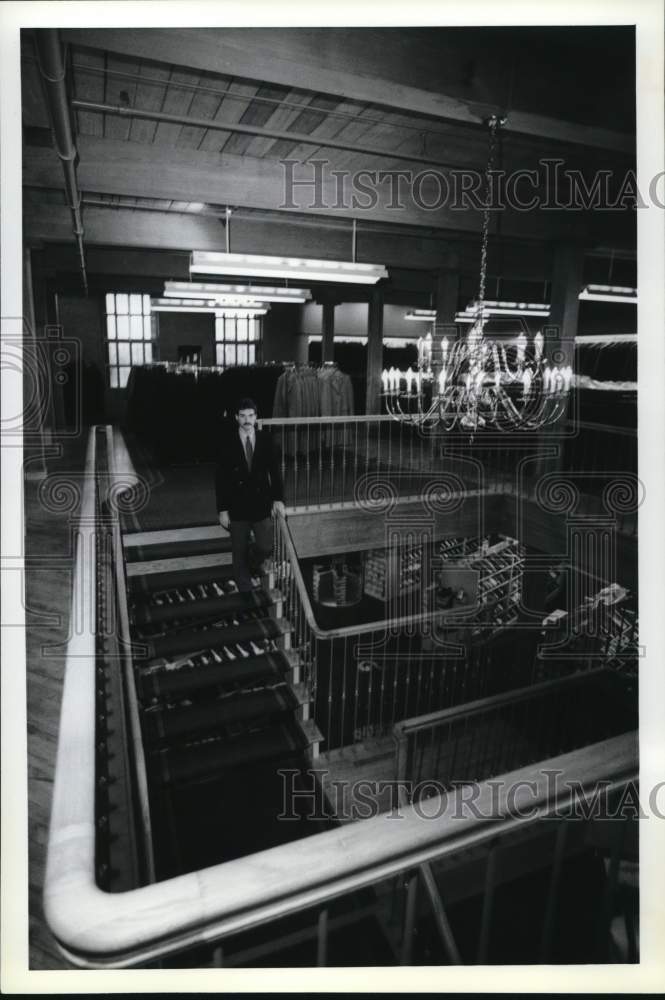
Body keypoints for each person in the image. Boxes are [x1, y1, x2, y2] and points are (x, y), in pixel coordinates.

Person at [215, 398, 286, 594]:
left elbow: (275, 473)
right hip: (236, 506)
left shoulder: (266, 439)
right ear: (236, 418)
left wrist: (278, 499)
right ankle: (245, 592)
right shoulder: (227, 441)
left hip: (261, 503)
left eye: (251, 415)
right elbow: (220, 478)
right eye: (243, 416)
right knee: (238, 551)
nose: (247, 420)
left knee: (266, 546)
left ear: (256, 417)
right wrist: (222, 510)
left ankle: (251, 564)